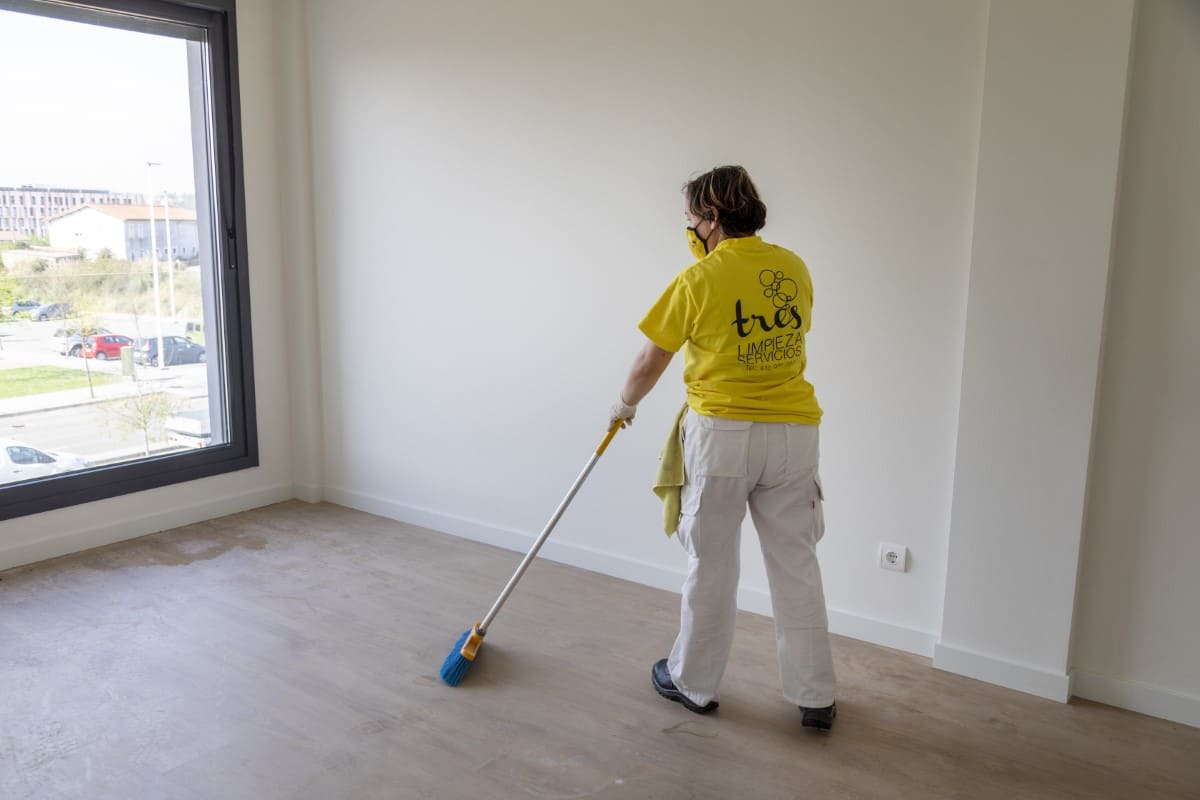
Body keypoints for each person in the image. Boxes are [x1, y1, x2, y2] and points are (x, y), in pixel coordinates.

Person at [609, 165, 836, 732]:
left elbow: (648, 359)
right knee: (797, 566)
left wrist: (625, 405)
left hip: (723, 438)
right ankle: (816, 697)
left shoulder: (700, 279)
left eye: (691, 218)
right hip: (794, 436)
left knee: (711, 565)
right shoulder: (793, 267)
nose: (688, 228)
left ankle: (694, 683)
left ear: (711, 219)